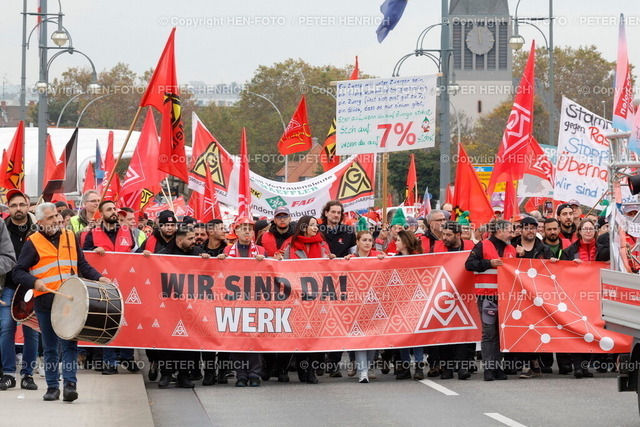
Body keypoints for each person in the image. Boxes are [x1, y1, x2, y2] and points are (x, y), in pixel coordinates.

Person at [13, 203, 110, 402]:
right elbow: (18, 272)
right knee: (50, 347)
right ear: (40, 222)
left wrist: (100, 278)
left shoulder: (70, 236)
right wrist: (34, 281)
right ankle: (52, 387)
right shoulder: (33, 242)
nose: (56, 220)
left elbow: (82, 264)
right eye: (50, 218)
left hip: (70, 301)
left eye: (56, 215)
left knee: (69, 345)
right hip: (45, 302)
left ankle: (70, 385)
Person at [83, 200, 140, 375]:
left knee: (128, 320)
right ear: (101, 214)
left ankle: (127, 357)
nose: (114, 212)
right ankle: (109, 362)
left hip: (126, 283)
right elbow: (85, 258)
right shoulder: (92, 234)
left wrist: (144, 254)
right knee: (108, 321)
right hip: (104, 285)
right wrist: (94, 250)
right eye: (109, 209)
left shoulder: (128, 231)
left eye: (115, 208)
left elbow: (134, 253)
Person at [154, 226, 210, 389]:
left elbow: (210, 268)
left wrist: (208, 258)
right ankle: (166, 374)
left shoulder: (197, 252)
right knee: (167, 341)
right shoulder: (164, 254)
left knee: (189, 341)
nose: (194, 241)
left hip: (191, 306)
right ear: (179, 240)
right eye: (190, 238)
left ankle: (184, 375)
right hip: (170, 306)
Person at [283, 215, 333, 384]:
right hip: (297, 298)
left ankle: (311, 370)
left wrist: (333, 260)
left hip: (317, 298)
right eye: (312, 225)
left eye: (316, 225)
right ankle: (301, 368)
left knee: (315, 335)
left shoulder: (323, 246)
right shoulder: (290, 246)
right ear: (303, 227)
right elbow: (283, 268)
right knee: (300, 335)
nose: (315, 228)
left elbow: (329, 267)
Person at [465, 219, 516, 381]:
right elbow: (469, 264)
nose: (512, 234)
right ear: (499, 231)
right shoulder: (482, 245)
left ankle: (497, 367)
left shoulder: (512, 249)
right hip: (487, 296)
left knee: (501, 332)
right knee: (489, 332)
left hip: (505, 297)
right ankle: (489, 368)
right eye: (510, 231)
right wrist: (489, 263)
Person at [218, 217, 266, 387]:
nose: (247, 231)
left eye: (250, 229)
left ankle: (254, 374)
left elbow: (272, 272)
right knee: (236, 338)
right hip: (234, 302)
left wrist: (265, 261)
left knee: (254, 338)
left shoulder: (261, 250)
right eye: (243, 228)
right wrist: (220, 261)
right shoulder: (227, 250)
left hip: (255, 301)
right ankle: (241, 375)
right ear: (236, 232)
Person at [511, 216, 554, 379]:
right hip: (516, 294)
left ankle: (534, 362)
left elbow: (550, 272)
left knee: (535, 329)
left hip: (538, 295)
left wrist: (553, 262)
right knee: (521, 328)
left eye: (533, 228)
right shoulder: (511, 246)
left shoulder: (544, 249)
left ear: (537, 230)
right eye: (526, 228)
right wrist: (518, 257)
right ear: (521, 230)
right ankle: (527, 364)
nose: (530, 231)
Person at [138, 210, 178, 381]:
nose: (169, 228)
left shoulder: (180, 239)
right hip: (153, 293)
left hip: (174, 294)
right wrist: (142, 255)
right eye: (166, 225)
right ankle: (153, 361)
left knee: (170, 332)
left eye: (172, 225)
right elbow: (133, 258)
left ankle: (167, 371)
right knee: (153, 331)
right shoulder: (149, 241)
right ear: (160, 226)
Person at [560, 219, 602, 379]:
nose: (588, 231)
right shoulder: (570, 251)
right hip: (576, 295)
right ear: (580, 232)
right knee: (578, 330)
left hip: (595, 295)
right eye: (585, 228)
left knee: (591, 330)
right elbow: (562, 268)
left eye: (591, 228)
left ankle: (585, 366)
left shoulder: (603, 250)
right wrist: (571, 264)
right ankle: (577, 366)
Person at [433, 221, 475, 380]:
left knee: (462, 331)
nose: (444, 237)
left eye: (448, 235)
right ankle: (447, 368)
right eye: (443, 234)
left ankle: (463, 367)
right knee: (445, 333)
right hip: (443, 295)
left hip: (465, 294)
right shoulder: (436, 247)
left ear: (458, 235)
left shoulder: (470, 246)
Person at [318, 201, 354, 377]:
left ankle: (333, 364)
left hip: (341, 282)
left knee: (338, 321)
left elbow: (355, 254)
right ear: (326, 213)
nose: (336, 215)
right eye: (333, 212)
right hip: (319, 281)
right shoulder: (317, 230)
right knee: (320, 321)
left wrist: (349, 258)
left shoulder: (348, 232)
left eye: (339, 213)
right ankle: (318, 362)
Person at [345, 229, 385, 383]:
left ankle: (367, 368)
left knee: (372, 339)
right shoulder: (351, 258)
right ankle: (363, 372)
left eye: (370, 240)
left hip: (375, 304)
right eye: (364, 240)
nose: (368, 243)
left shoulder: (378, 256)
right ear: (357, 242)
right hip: (356, 304)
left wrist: (385, 260)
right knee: (359, 338)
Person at [393, 229, 426, 380]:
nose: (395, 243)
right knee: (403, 334)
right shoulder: (394, 259)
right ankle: (405, 366)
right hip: (399, 302)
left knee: (416, 335)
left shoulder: (419, 258)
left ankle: (419, 366)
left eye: (398, 240)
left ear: (405, 243)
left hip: (416, 301)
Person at [0, 190, 22, 391]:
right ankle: (6, 371)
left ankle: (16, 373)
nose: (18, 208)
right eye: (14, 205)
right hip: (7, 287)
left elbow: (9, 258)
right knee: (6, 327)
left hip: (10, 289)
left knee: (9, 327)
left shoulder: (0, 226)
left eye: (21, 204)